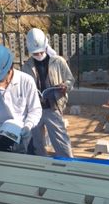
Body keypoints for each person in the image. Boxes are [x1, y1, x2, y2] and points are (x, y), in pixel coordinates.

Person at [0, 44, 42, 153]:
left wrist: (28, 125)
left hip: (21, 135)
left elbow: (35, 110)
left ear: (10, 68)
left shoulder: (26, 81)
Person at [22, 28, 75, 157]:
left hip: (53, 108)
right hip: (34, 110)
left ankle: (68, 165)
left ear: (45, 45)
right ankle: (41, 167)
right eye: (35, 53)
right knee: (36, 143)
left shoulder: (58, 61)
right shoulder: (26, 66)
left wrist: (65, 86)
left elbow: (70, 79)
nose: (38, 55)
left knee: (61, 141)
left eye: (40, 52)